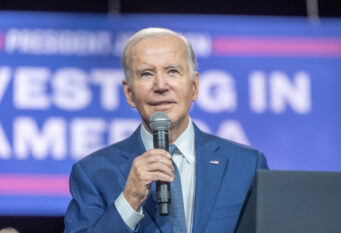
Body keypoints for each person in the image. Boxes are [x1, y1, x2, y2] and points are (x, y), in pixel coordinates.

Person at [64, 27, 268, 233]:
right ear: (129, 93)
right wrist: (128, 201)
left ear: (195, 86)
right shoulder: (93, 173)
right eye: (146, 74)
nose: (161, 85)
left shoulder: (247, 165)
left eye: (172, 71)